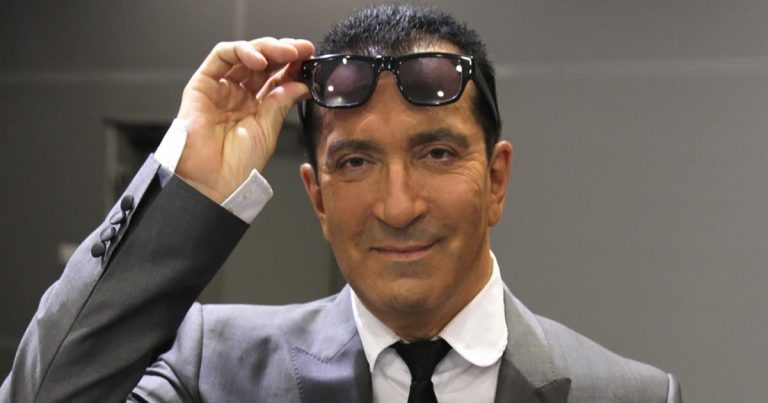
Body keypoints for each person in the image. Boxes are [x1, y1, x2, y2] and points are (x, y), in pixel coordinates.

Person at [1, 4, 681, 403]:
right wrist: (192, 182)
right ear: (318, 198)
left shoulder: (629, 395)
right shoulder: (215, 370)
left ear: (496, 179)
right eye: (355, 162)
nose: (398, 206)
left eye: (436, 153)